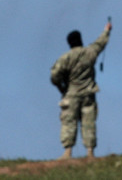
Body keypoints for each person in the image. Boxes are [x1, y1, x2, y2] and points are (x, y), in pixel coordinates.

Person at [50, 21, 112, 159]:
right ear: (80, 40)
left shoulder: (65, 58)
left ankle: (67, 152)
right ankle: (90, 152)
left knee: (69, 122)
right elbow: (100, 43)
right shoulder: (90, 52)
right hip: (89, 95)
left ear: (69, 43)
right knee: (89, 123)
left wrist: (61, 87)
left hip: (71, 95)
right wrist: (107, 30)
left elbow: (54, 76)